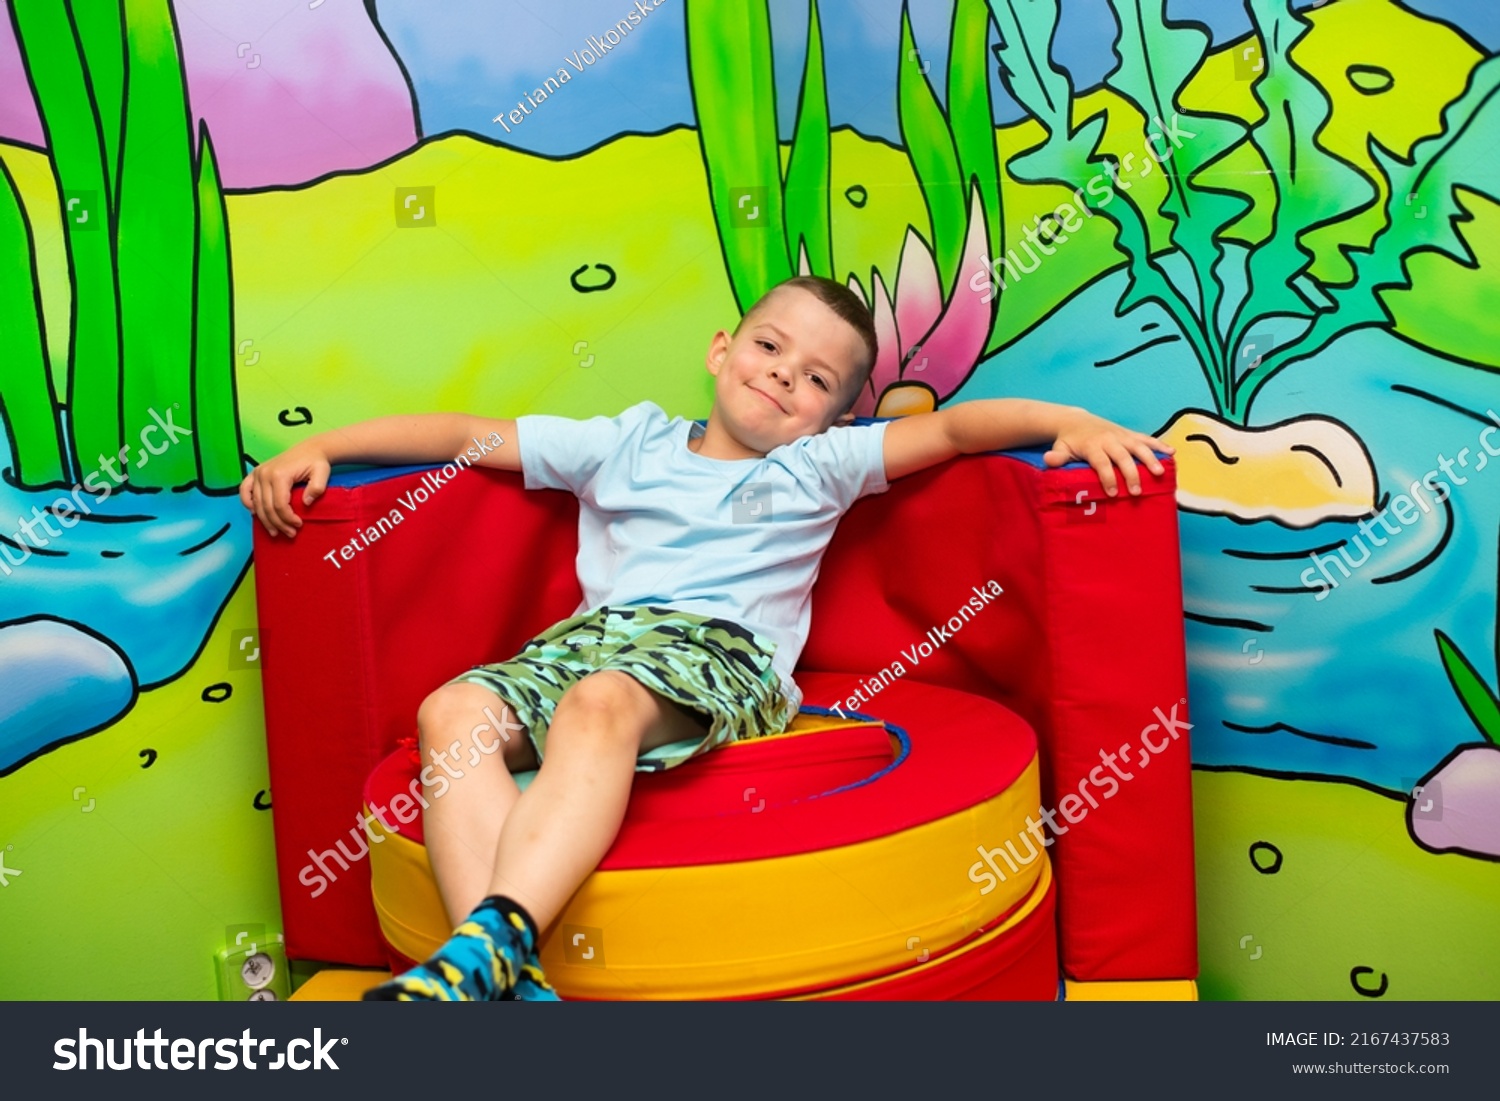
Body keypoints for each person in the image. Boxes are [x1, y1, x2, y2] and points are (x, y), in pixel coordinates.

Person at [239, 275, 1171, 1001]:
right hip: (592, 641)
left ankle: (496, 933)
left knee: (597, 705)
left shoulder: (822, 463)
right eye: (769, 347)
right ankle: (496, 973)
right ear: (722, 352)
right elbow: (467, 433)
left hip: (717, 654)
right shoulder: (627, 442)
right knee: (452, 712)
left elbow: (960, 428)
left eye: (816, 379)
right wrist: (325, 447)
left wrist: (1074, 422)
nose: (783, 376)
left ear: (837, 413)